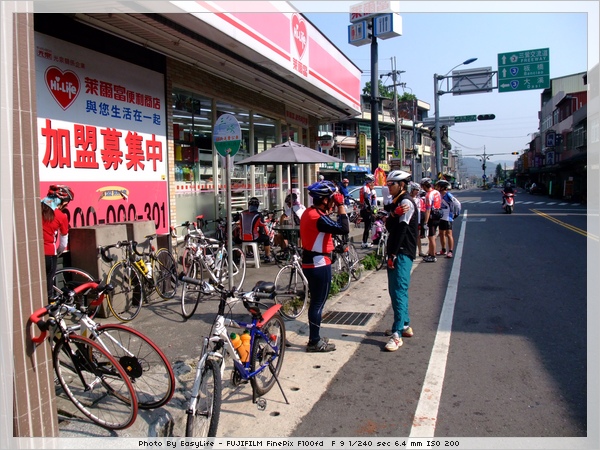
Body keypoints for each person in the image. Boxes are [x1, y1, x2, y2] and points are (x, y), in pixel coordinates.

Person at [300, 180, 349, 353]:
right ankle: (314, 341)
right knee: (318, 304)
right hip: (319, 264)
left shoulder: (309, 212)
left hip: (311, 261)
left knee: (316, 302)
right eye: (331, 199)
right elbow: (344, 228)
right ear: (325, 200)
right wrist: (341, 205)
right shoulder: (318, 217)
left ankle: (316, 337)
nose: (334, 201)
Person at [382, 170, 418, 351]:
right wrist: (393, 215)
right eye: (388, 184)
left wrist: (393, 254)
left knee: (398, 291)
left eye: (392, 184)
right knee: (396, 290)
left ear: (401, 185)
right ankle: (404, 325)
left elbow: (402, 231)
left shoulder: (406, 202)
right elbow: (389, 225)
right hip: (397, 251)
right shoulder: (397, 203)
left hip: (402, 252)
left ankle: (396, 335)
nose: (389, 187)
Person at [41, 185, 74, 299]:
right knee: (48, 287)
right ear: (64, 202)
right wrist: (59, 252)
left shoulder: (35, 209)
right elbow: (63, 244)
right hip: (49, 254)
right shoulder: (61, 216)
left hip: (33, 253)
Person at [239, 196, 273, 263]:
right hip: (253, 238)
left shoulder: (242, 213)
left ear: (248, 205)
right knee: (266, 238)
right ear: (257, 206)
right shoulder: (258, 214)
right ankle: (267, 257)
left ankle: (246, 253)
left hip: (242, 238)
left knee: (242, 237)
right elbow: (262, 227)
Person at [421, 177, 442, 262]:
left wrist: (425, 222)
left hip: (432, 217)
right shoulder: (436, 192)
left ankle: (433, 256)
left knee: (431, 237)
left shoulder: (428, 195)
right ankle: (430, 253)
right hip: (438, 214)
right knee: (432, 235)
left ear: (424, 186)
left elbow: (428, 210)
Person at [435, 179, 456, 259]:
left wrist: (455, 213)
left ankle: (450, 251)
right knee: (441, 233)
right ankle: (443, 250)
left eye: (439, 186)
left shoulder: (448, 195)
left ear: (442, 187)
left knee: (449, 234)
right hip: (441, 217)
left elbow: (457, 204)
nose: (437, 188)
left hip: (448, 217)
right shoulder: (438, 195)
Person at [409, 182, 427, 258]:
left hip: (416, 221)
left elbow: (419, 212)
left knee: (417, 236)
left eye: (418, 190)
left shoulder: (418, 200)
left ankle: (420, 251)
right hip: (408, 220)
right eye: (416, 190)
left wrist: (419, 222)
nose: (417, 192)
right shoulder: (407, 198)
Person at [359, 173, 377, 248]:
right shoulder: (366, 187)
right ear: (370, 182)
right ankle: (364, 242)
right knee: (367, 226)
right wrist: (369, 207)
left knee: (368, 226)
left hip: (364, 209)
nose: (373, 184)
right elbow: (366, 197)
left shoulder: (364, 187)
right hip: (366, 210)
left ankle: (365, 241)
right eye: (373, 182)